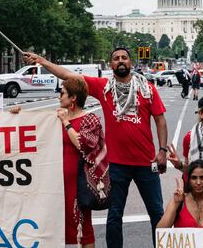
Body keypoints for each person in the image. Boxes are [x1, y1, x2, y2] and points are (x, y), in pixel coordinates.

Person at [25, 48, 168, 248]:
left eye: (124, 58)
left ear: (131, 62)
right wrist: (41, 60)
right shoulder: (103, 87)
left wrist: (162, 150)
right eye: (116, 58)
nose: (120, 61)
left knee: (157, 213)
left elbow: (160, 120)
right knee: (114, 215)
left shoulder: (148, 89)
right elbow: (68, 76)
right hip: (116, 164)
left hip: (146, 163)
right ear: (110, 65)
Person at [57, 76, 107, 248]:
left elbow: (82, 145)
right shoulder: (57, 118)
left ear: (73, 98)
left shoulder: (89, 119)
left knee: (83, 225)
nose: (59, 96)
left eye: (62, 93)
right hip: (59, 182)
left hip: (79, 182)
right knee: (60, 224)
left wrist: (66, 122)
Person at [157, 160, 203, 229]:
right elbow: (160, 230)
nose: (198, 182)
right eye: (194, 178)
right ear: (189, 180)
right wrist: (176, 203)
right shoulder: (179, 201)